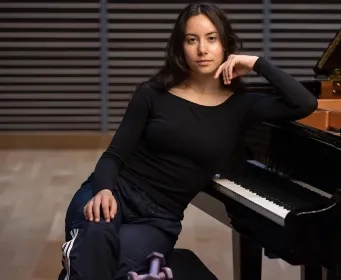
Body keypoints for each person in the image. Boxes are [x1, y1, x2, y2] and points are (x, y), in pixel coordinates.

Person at [57, 2, 317, 280]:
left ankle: (76, 264)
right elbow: (113, 156)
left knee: (119, 268)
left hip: (158, 218)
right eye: (192, 40)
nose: (202, 49)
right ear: (180, 47)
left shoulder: (243, 106)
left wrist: (257, 63)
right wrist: (104, 191)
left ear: (225, 45)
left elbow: (305, 103)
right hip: (115, 193)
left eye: (212, 39)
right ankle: (80, 253)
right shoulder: (152, 94)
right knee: (96, 237)